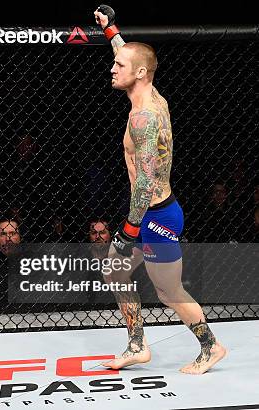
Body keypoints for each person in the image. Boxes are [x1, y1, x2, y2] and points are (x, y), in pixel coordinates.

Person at [93, 5, 226, 374]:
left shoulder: (144, 116)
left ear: (137, 74)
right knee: (116, 272)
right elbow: (133, 58)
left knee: (169, 292)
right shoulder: (148, 93)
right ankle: (137, 344)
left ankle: (211, 347)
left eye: (118, 66)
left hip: (155, 216)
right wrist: (110, 30)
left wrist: (129, 231)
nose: (112, 68)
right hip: (146, 212)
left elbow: (148, 179)